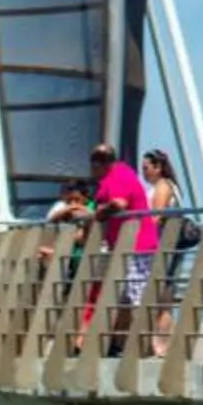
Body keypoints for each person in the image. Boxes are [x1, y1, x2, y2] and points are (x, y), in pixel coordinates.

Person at [79, 142, 149, 352]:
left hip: (136, 245)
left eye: (93, 166)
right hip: (119, 245)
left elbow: (119, 203)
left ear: (100, 164)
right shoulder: (112, 177)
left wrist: (98, 213)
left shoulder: (118, 176)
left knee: (133, 296)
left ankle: (137, 345)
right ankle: (116, 343)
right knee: (116, 294)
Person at [138, 148, 184, 355]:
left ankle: (161, 345)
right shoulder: (163, 186)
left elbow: (156, 217)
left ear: (158, 168)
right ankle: (159, 343)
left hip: (164, 246)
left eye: (146, 168)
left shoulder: (163, 187)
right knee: (161, 298)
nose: (144, 173)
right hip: (165, 246)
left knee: (162, 299)